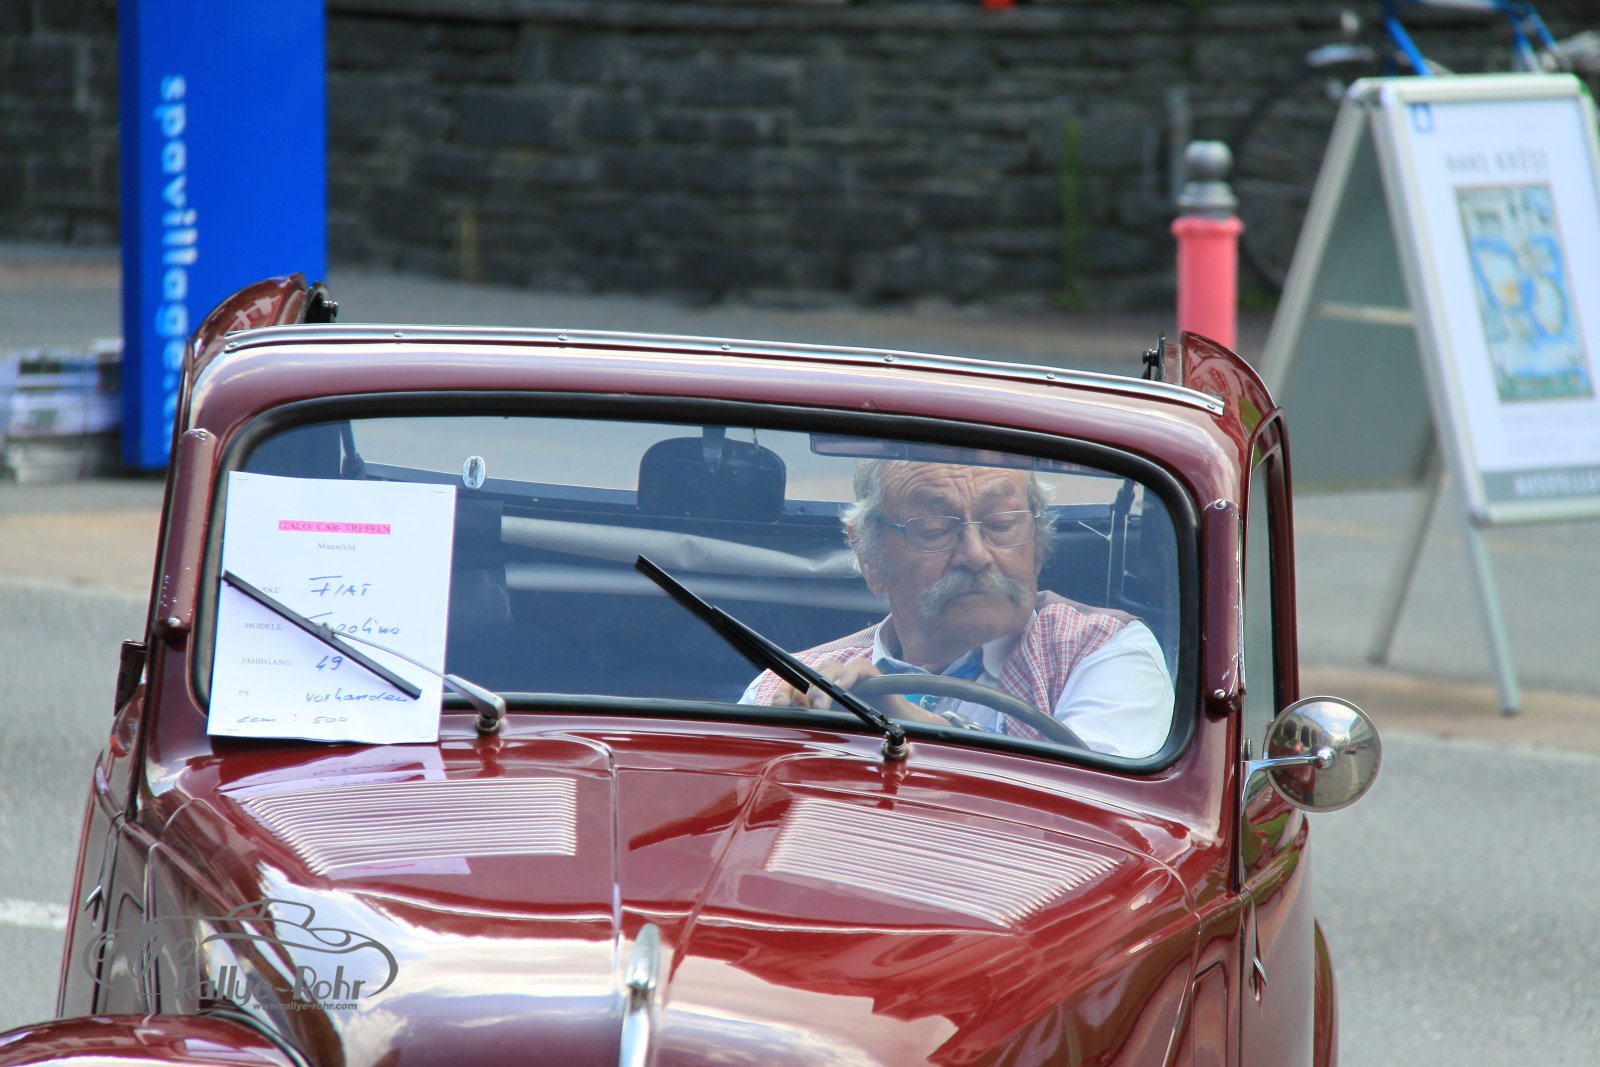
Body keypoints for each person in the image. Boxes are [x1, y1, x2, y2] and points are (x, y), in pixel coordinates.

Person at [741, 460, 1173, 758]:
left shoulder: (1101, 651)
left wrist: (907, 723)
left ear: (1038, 544)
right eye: (934, 530)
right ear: (870, 557)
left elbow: (1093, 822)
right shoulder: (785, 686)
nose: (976, 555)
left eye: (1002, 524)